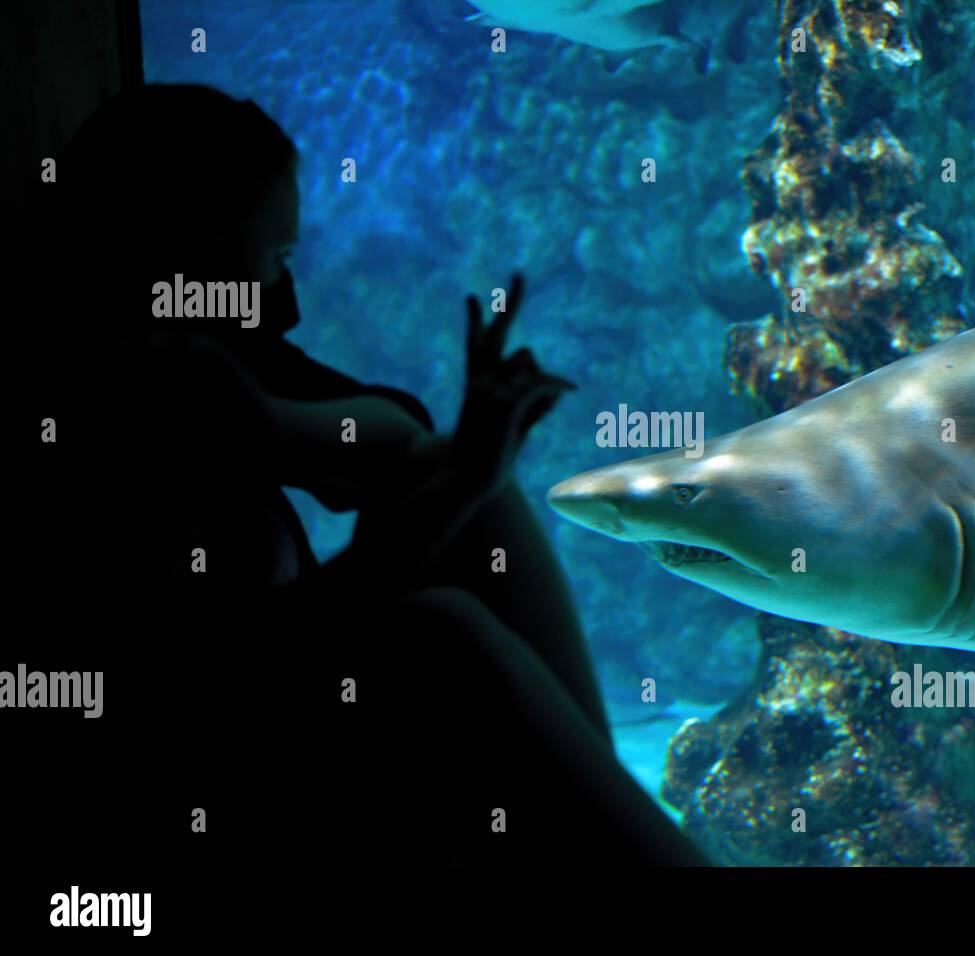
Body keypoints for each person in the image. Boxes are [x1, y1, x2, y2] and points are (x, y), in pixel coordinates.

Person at [19, 83, 710, 866]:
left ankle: (610, 824)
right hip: (188, 771)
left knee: (444, 480)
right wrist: (455, 478)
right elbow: (250, 666)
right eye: (274, 259)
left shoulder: (207, 356)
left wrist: (282, 428)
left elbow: (390, 437)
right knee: (442, 635)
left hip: (265, 713)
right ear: (192, 252)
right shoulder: (103, 407)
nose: (285, 300)